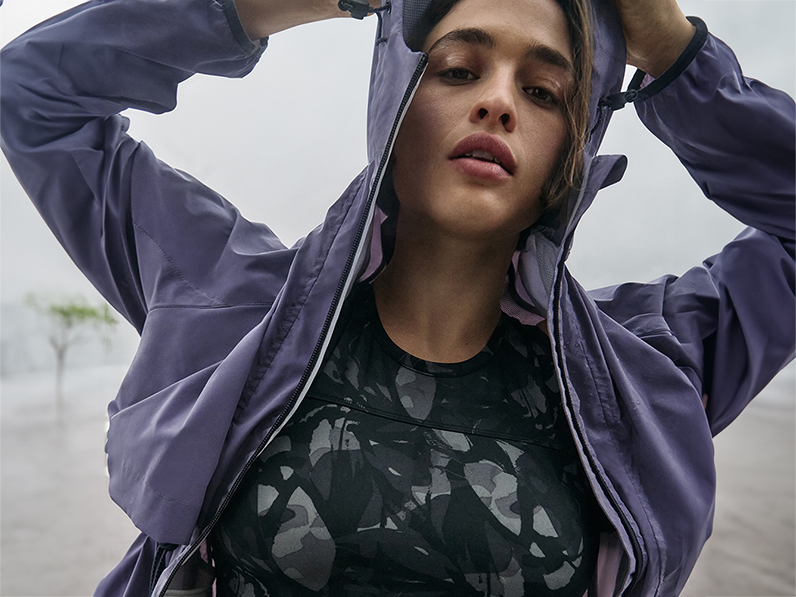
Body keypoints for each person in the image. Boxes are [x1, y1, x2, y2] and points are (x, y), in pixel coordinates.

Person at [0, 0, 793, 594]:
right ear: (393, 95)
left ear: (574, 144)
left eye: (547, 90)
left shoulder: (643, 375)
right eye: (458, 68)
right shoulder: (232, 302)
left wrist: (675, 55)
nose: (499, 101)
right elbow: (33, 96)